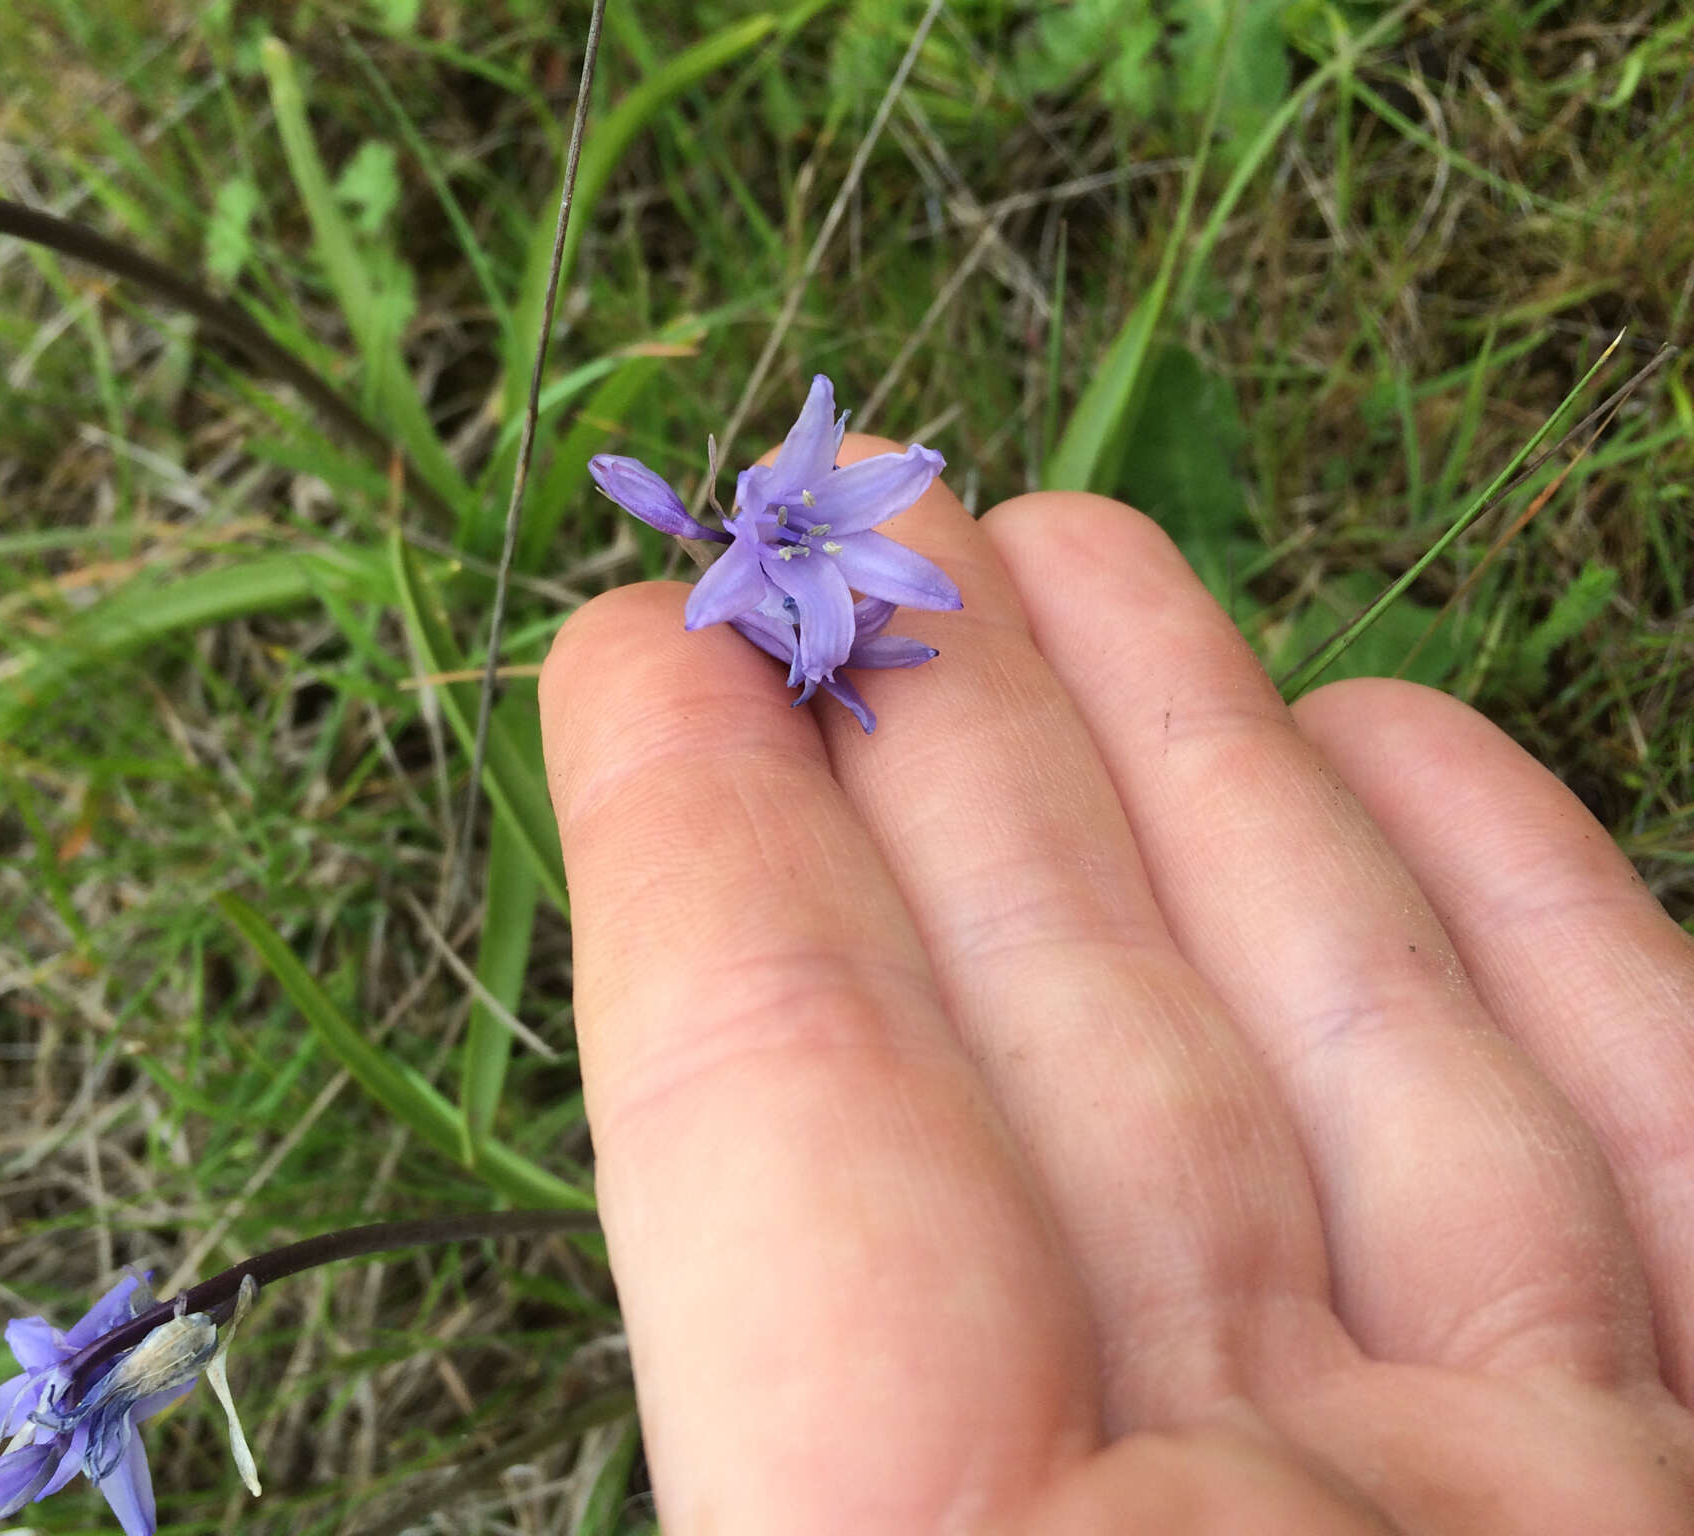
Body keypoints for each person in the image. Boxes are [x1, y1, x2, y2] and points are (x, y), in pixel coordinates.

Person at [539, 436, 1694, 1533]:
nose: (781, 532)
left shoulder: (798, 544)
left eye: (782, 531)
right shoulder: (749, 553)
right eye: (769, 536)